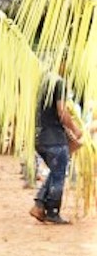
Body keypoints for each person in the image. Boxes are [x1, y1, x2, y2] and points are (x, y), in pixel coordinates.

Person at [30, 70, 83, 225]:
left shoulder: (41, 83)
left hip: (39, 137)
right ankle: (53, 212)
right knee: (59, 174)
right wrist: (75, 128)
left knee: (55, 172)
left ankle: (39, 204)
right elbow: (61, 110)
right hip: (53, 138)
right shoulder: (58, 82)